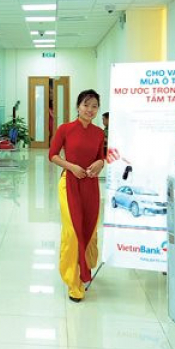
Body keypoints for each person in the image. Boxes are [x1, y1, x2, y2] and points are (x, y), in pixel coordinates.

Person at [49, 89, 106, 303]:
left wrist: (100, 163)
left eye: (94, 106)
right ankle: (73, 283)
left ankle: (84, 269)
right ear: (78, 106)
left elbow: (101, 157)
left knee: (89, 229)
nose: (90, 110)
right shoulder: (65, 129)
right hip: (69, 184)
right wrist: (71, 167)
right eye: (86, 105)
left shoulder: (99, 133)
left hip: (90, 185)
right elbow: (52, 155)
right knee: (72, 232)